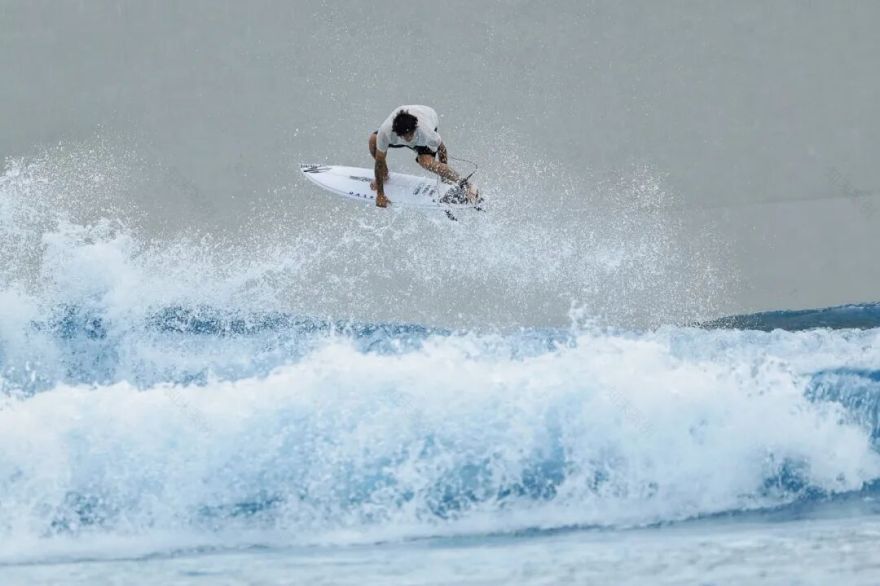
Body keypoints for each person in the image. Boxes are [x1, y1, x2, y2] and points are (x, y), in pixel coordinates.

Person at [368, 105, 478, 208]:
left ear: (414, 129)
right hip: (402, 123)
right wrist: (380, 194)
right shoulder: (385, 132)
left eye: (410, 135)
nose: (408, 139)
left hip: (428, 115)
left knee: (426, 162)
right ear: (396, 133)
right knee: (373, 141)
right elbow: (379, 161)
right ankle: (384, 174)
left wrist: (443, 176)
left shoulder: (426, 132)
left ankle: (467, 185)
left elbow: (442, 149)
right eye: (404, 136)